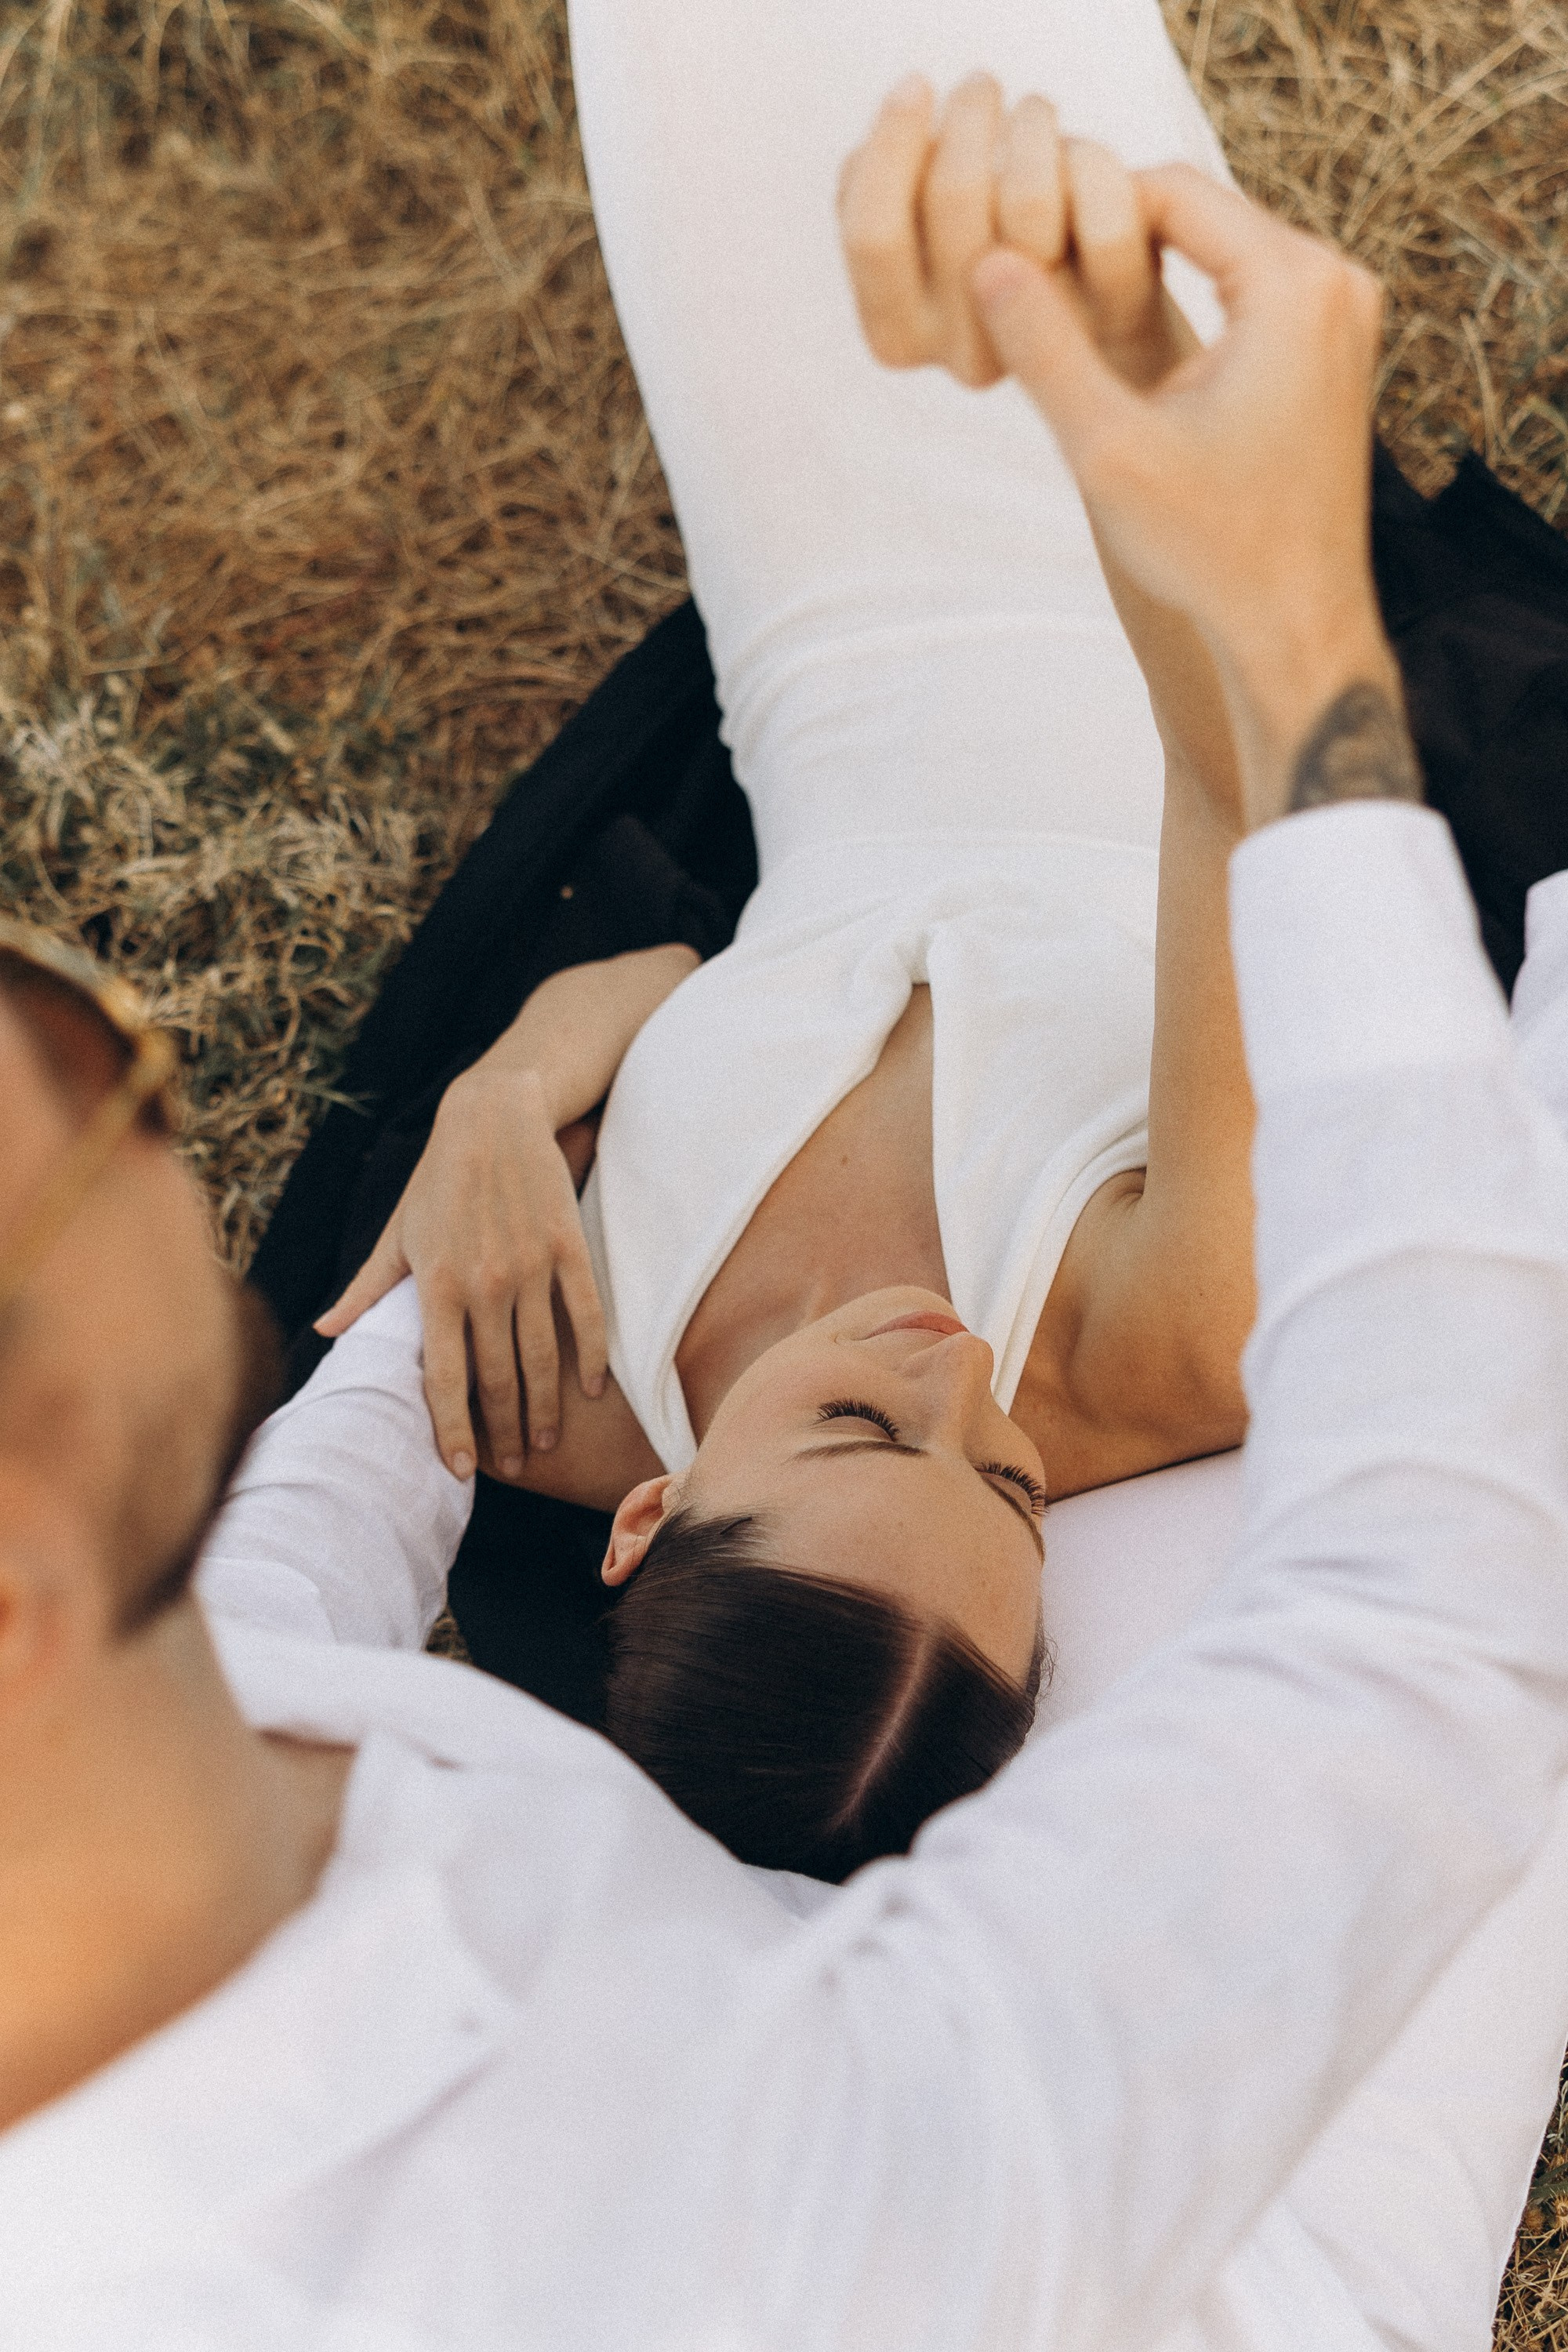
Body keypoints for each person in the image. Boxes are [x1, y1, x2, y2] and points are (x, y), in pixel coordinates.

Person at [6, 40, 1568, 2347]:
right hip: (1127, 661)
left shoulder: (255, 1671)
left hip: (862, 673)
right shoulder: (846, 2175)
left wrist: (504, 1100)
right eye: (91, 1074)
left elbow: (360, 1429)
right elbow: (1435, 1606)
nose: (134, 1091)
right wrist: (1284, 627)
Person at [313, 7, 1266, 1875]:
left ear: (644, 1519)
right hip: (1130, 568)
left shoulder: (548, 1384)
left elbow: (662, 983)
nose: (951, 1374)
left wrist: (498, 1105)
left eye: (856, 1429)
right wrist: (1122, 416)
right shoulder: (1160, 1351)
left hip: (807, 629)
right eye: (1009, 1491)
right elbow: (1237, 779)